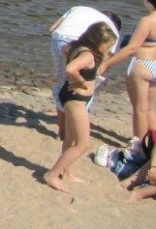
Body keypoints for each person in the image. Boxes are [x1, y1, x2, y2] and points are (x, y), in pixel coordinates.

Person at [43, 21, 118, 193]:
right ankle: (52, 175)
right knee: (84, 144)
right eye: (106, 47)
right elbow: (70, 68)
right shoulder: (88, 55)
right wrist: (81, 81)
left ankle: (67, 172)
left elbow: (64, 50)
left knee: (71, 139)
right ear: (96, 41)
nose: (107, 50)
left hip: (71, 96)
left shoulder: (77, 46)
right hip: (75, 99)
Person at [101, 0, 156, 147]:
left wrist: (106, 64)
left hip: (143, 66)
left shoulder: (147, 20)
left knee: (140, 109)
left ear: (149, 1)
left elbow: (131, 48)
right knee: (150, 108)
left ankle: (139, 146)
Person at [48, 6, 122, 139]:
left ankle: (62, 130)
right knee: (86, 85)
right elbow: (102, 67)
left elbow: (52, 29)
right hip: (81, 43)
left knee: (62, 83)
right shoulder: (112, 34)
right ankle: (77, 122)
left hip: (60, 38)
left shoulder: (78, 9)